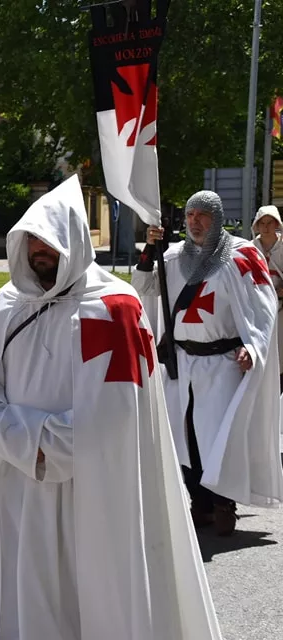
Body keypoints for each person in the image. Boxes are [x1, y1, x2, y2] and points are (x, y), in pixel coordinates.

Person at [0, 175, 222, 640]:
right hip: (20, 487)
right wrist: (25, 445)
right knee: (25, 600)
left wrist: (43, 447)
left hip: (94, 488)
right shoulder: (8, 306)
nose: (39, 250)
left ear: (74, 239)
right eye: (32, 240)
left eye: (49, 241)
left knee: (91, 599)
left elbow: (116, 417)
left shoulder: (114, 308)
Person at [134, 191, 283, 536]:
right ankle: (198, 501)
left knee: (217, 438)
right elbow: (144, 288)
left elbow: (264, 307)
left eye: (203, 215)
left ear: (216, 218)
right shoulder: (171, 257)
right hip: (181, 362)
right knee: (182, 437)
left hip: (223, 362)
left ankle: (222, 503)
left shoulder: (243, 256)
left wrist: (254, 346)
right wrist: (147, 251)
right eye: (190, 215)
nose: (195, 221)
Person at [251, 204, 283, 390]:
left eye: (269, 222)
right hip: (258, 309)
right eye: (261, 223)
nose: (265, 227)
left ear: (276, 223)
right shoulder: (250, 248)